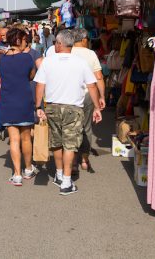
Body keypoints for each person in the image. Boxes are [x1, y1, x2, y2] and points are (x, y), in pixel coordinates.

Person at [34, 29, 102, 195]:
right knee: (70, 144)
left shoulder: (48, 62)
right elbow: (92, 85)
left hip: (52, 107)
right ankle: (66, 181)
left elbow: (40, 85)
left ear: (58, 44)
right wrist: (97, 107)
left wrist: (38, 107)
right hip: (73, 108)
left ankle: (58, 174)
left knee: (56, 142)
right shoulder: (81, 62)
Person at [0, 28, 38, 185]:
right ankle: (28, 169)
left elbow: (1, 77)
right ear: (17, 40)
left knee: (14, 139)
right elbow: (32, 76)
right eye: (24, 40)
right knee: (26, 138)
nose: (25, 42)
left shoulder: (2, 59)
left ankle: (17, 175)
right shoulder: (27, 58)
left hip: (8, 100)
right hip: (24, 99)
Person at [69, 28, 106, 173]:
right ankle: (84, 160)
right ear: (84, 40)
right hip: (87, 94)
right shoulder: (90, 54)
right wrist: (101, 96)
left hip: (69, 96)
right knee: (86, 127)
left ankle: (72, 162)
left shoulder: (67, 51)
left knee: (71, 129)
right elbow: (99, 77)